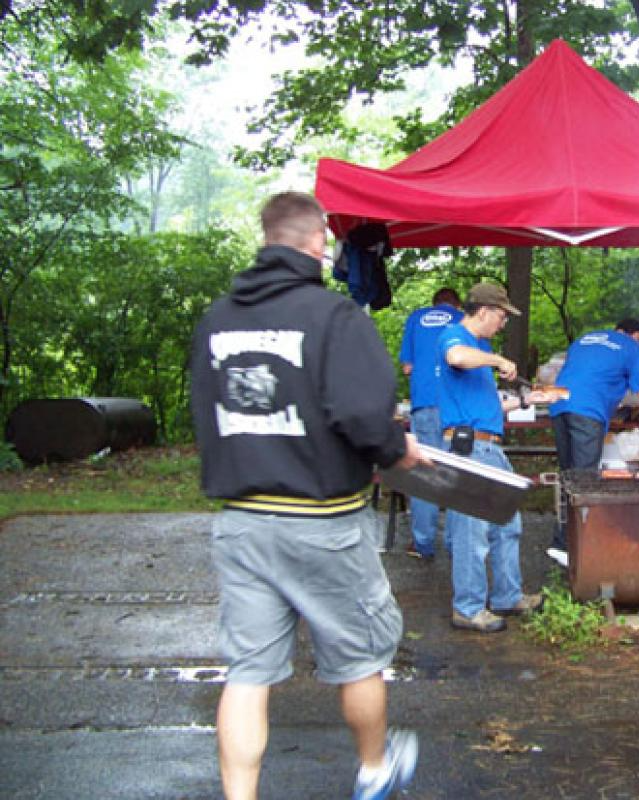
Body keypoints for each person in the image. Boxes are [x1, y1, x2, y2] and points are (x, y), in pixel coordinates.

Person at [190, 191, 431, 800]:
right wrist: (396, 449)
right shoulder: (334, 317)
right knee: (360, 658)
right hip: (323, 522)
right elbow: (362, 415)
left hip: (242, 520)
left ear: (266, 236)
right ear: (320, 241)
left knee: (248, 673)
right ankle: (373, 769)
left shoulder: (217, 320)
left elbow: (204, 413)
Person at [436, 282, 547, 633]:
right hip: (469, 449)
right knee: (471, 531)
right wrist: (498, 359)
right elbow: (455, 357)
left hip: (490, 448)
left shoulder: (480, 349)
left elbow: (490, 404)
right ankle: (468, 608)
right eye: (501, 316)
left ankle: (507, 596)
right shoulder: (454, 336)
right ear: (483, 311)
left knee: (507, 524)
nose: (503, 323)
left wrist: (529, 401)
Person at [545, 319, 639, 564]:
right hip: (587, 411)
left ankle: (562, 541)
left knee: (568, 475)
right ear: (636, 335)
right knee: (584, 478)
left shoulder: (585, 339)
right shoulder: (632, 346)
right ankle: (575, 548)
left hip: (558, 406)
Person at [398, 286, 463, 560]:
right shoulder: (463, 319)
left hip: (424, 404)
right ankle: (455, 544)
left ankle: (423, 543)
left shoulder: (416, 318)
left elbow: (407, 367)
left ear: (434, 303)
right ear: (456, 305)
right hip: (456, 407)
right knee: (457, 473)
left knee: (425, 475)